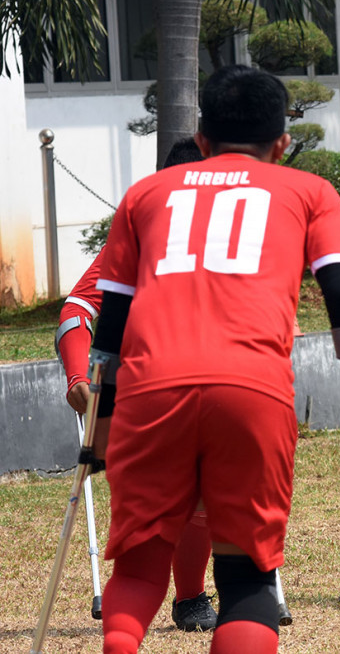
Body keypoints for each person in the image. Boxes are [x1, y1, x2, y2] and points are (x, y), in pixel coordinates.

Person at [89, 65, 340, 654]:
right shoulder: (309, 192)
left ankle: (121, 643)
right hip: (254, 390)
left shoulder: (145, 195)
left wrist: (100, 427)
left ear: (202, 140)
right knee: (247, 579)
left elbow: (112, 324)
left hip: (151, 388)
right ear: (283, 143)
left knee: (141, 567)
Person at [55, 138, 220, 632]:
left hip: (217, 384)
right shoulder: (136, 240)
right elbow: (76, 311)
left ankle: (193, 596)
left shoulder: (238, 243)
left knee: (205, 497)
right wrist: (77, 377)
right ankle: (168, 599)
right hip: (143, 390)